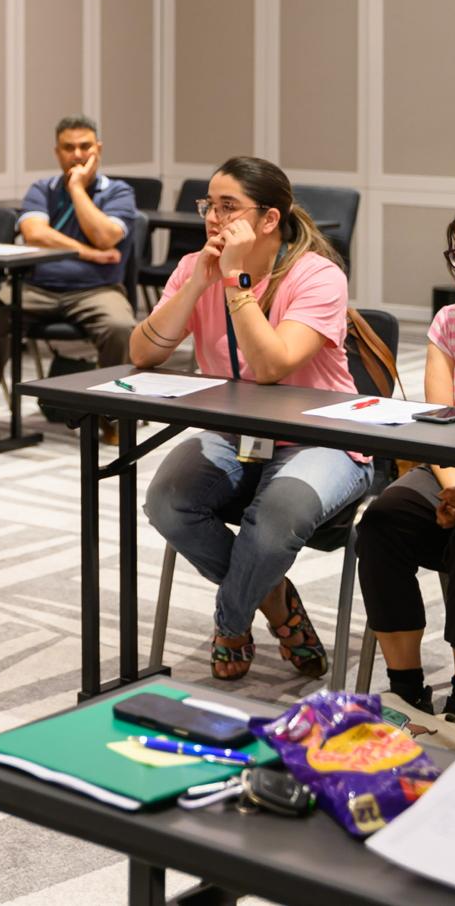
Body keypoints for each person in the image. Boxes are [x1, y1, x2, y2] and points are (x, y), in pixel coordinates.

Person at [131, 155, 372, 681]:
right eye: (209, 205)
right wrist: (196, 284)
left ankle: (232, 623)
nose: (213, 218)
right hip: (236, 433)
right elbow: (143, 353)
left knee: (274, 521)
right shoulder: (195, 267)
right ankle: (277, 601)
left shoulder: (317, 275)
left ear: (269, 219)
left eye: (228, 207)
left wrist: (235, 281)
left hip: (324, 438)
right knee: (167, 501)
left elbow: (270, 367)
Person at [0, 115, 136, 450]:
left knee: (120, 327)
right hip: (36, 288)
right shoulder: (42, 189)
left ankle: (114, 417)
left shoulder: (118, 192)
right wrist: (89, 252)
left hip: (96, 289)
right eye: (68, 147)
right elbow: (34, 233)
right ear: (57, 152)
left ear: (98, 149)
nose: (77, 154)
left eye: (85, 146)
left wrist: (76, 189)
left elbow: (106, 235)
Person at [355, 208, 455, 721]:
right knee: (383, 520)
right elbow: (439, 421)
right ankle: (406, 690)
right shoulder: (451, 322)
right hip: (452, 465)